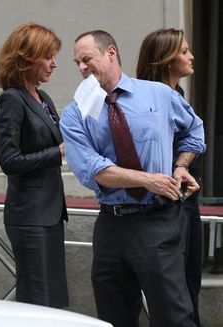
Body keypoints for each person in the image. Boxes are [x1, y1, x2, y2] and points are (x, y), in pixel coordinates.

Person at [60, 30, 206, 327]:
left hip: (158, 221)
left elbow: (194, 130)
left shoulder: (159, 94)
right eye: (77, 62)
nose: (81, 68)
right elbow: (93, 169)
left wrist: (181, 165)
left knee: (173, 316)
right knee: (114, 316)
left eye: (86, 59)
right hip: (111, 226)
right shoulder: (75, 114)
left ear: (110, 53)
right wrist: (148, 179)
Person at [0, 22, 69, 308]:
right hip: (29, 217)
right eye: (48, 56)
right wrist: (57, 152)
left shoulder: (43, 97)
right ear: (26, 58)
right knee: (37, 298)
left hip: (50, 213)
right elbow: (9, 161)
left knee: (53, 297)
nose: (54, 64)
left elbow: (60, 140)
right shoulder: (11, 100)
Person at [136, 28, 202, 327]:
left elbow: (194, 136)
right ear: (165, 59)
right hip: (165, 204)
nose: (191, 56)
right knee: (174, 289)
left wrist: (183, 164)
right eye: (184, 51)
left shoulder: (179, 94)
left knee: (190, 279)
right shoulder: (146, 99)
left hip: (188, 198)